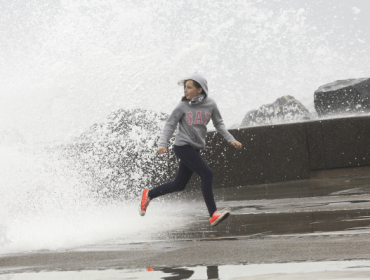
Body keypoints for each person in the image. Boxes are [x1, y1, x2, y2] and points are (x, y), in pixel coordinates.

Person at [139, 72, 242, 227]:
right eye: (184, 88)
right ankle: (213, 214)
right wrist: (162, 144)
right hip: (182, 146)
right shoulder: (182, 106)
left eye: (189, 87)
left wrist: (231, 139)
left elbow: (219, 123)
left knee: (179, 185)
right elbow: (170, 124)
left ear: (200, 89)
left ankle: (149, 194)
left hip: (195, 148)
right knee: (207, 173)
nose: (185, 90)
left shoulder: (210, 104)